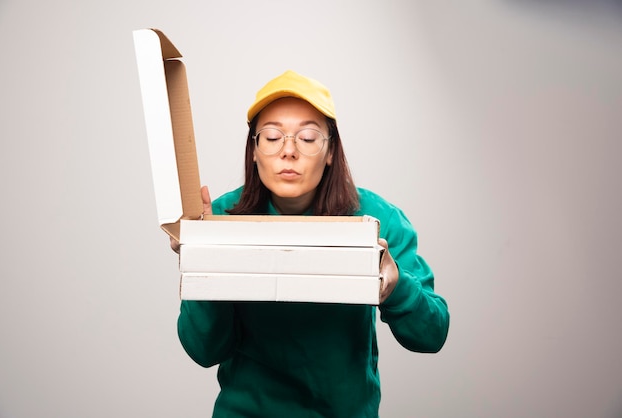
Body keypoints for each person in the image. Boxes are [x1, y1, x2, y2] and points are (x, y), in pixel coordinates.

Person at [173, 70, 450, 417]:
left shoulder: (378, 220)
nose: (289, 151)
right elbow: (203, 350)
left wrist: (397, 289)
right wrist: (202, 264)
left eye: (307, 137)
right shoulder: (220, 220)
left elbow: (433, 334)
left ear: (330, 151)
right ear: (254, 151)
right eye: (272, 137)